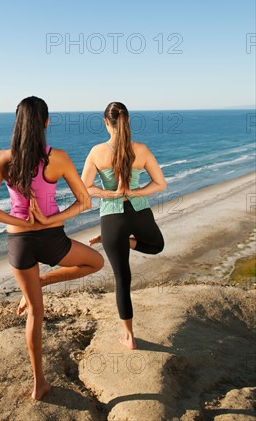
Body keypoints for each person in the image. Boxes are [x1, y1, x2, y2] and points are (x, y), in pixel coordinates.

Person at [0, 96, 104, 400]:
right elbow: (85, 201)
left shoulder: (2, 159)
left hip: (19, 242)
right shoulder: (57, 158)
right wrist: (48, 219)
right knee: (96, 262)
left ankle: (38, 384)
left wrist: (22, 223)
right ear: (45, 122)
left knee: (35, 310)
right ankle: (45, 280)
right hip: (51, 239)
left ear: (17, 123)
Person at [81, 101, 166, 350]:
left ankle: (129, 336)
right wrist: (134, 190)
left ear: (106, 122)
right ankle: (118, 241)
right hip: (140, 212)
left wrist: (112, 194)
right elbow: (160, 184)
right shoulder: (141, 149)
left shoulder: (97, 151)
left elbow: (85, 189)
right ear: (127, 121)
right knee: (157, 245)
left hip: (112, 218)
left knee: (122, 278)